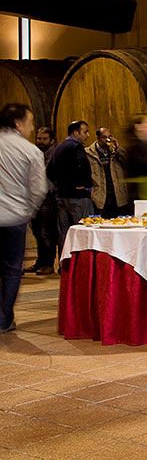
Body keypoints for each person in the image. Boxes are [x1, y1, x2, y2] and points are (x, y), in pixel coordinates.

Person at [1, 104, 48, 333]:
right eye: (29, 122)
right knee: (11, 269)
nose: (32, 127)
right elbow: (39, 189)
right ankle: (4, 319)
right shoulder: (30, 151)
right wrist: (29, 210)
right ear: (18, 123)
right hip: (13, 219)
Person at [47, 120, 93, 255]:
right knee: (82, 231)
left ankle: (65, 265)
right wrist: (80, 185)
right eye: (85, 132)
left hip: (61, 196)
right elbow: (81, 167)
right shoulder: (76, 147)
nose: (88, 135)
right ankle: (80, 267)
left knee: (65, 233)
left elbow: (49, 170)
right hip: (78, 197)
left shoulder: (59, 147)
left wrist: (61, 185)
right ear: (76, 132)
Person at [26, 127, 59, 276]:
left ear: (51, 140)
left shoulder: (54, 154)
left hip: (49, 196)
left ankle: (49, 263)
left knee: (47, 232)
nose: (40, 141)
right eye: (39, 138)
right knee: (37, 231)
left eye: (44, 139)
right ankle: (40, 261)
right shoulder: (35, 153)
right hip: (34, 197)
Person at [86, 127, 129, 218]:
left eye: (109, 137)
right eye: (104, 137)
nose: (107, 140)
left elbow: (128, 163)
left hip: (117, 196)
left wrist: (118, 148)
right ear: (97, 137)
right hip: (99, 196)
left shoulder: (115, 151)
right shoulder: (89, 153)